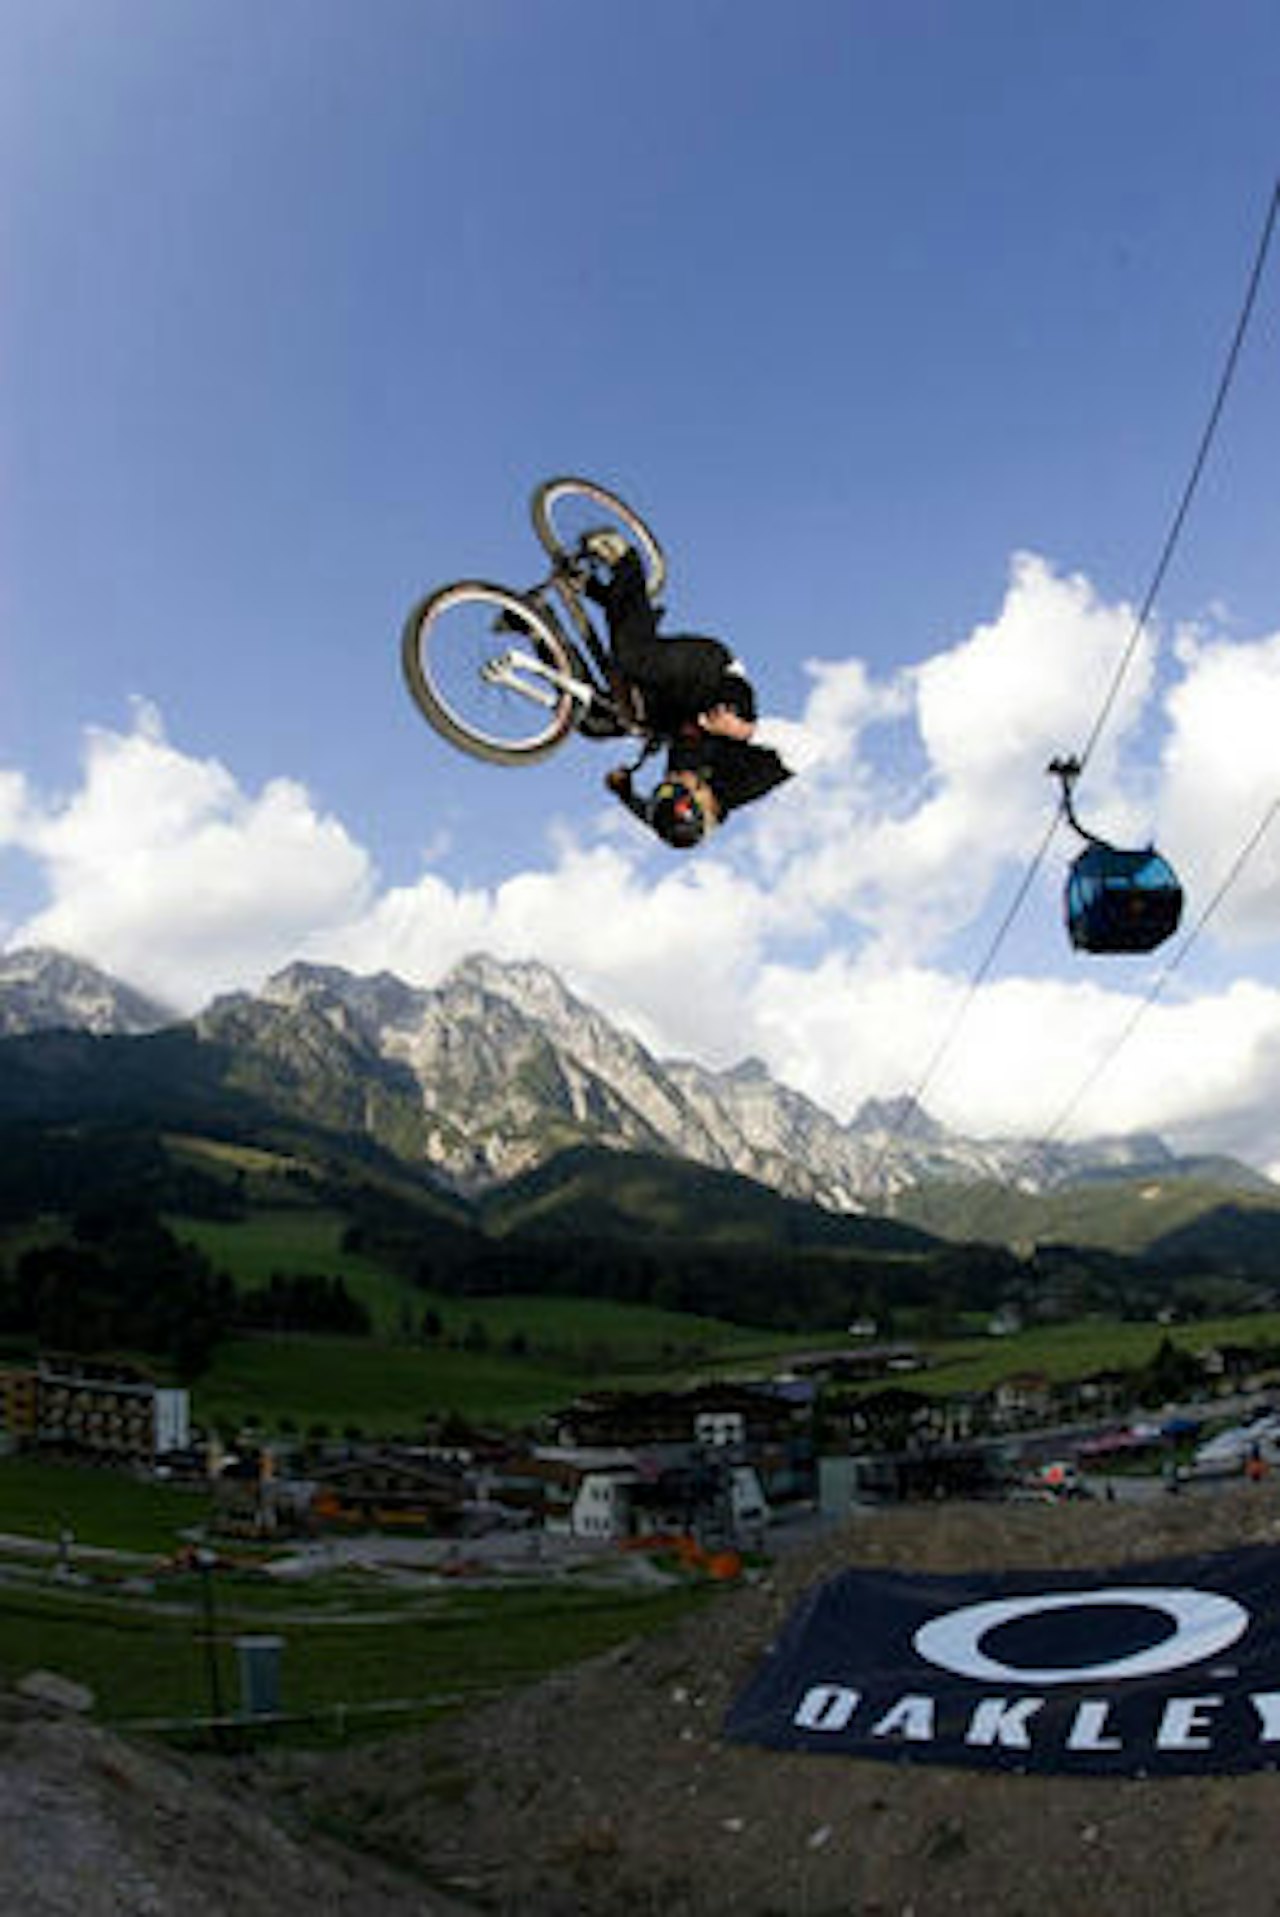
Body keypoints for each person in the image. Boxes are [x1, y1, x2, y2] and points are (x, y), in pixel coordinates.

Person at [580, 531, 796, 850]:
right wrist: (743, 730)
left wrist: (625, 793)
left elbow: (649, 815)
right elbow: (812, 747)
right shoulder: (742, 784)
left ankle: (537, 630)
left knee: (594, 720)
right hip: (708, 675)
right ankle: (625, 559)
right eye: (675, 785)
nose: (669, 779)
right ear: (701, 798)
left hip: (671, 712)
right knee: (634, 659)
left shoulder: (671, 807)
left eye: (662, 788)